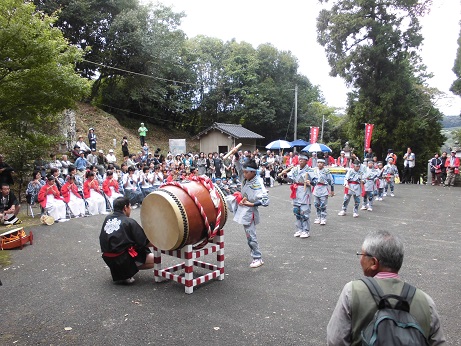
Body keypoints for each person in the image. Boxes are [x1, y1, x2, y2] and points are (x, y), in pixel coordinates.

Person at [326, 230, 446, 345]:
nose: (360, 258)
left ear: (374, 263)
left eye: (362, 254)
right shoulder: (425, 301)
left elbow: (336, 340)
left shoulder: (352, 291)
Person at [99, 196, 154, 284]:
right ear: (125, 207)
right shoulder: (129, 221)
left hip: (108, 258)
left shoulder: (108, 218)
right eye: (130, 206)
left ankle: (120, 271)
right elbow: (144, 241)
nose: (130, 209)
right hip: (122, 259)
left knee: (131, 244)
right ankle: (127, 271)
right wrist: (162, 244)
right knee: (154, 259)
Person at [233, 159, 269, 268]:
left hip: (250, 211)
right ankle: (255, 255)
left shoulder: (258, 182)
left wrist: (252, 204)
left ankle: (257, 257)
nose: (243, 174)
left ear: (253, 172)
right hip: (245, 208)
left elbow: (266, 200)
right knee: (249, 236)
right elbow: (239, 168)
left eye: (246, 172)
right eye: (243, 172)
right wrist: (235, 155)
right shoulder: (246, 179)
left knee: (251, 236)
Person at [287, 152, 315, 238]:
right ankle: (299, 229)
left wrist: (311, 182)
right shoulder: (295, 169)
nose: (300, 160)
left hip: (305, 191)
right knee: (297, 212)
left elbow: (316, 180)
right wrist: (284, 176)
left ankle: (306, 230)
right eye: (299, 159)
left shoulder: (310, 170)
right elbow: (289, 178)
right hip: (296, 191)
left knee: (304, 212)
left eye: (302, 159)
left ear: (306, 161)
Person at [312, 159, 335, 225]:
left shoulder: (326, 171)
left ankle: (323, 218)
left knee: (323, 205)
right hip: (316, 188)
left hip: (323, 188)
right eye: (318, 162)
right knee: (316, 204)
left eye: (321, 163)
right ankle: (318, 217)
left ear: (324, 164)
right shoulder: (314, 171)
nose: (319, 164)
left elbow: (331, 180)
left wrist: (332, 190)